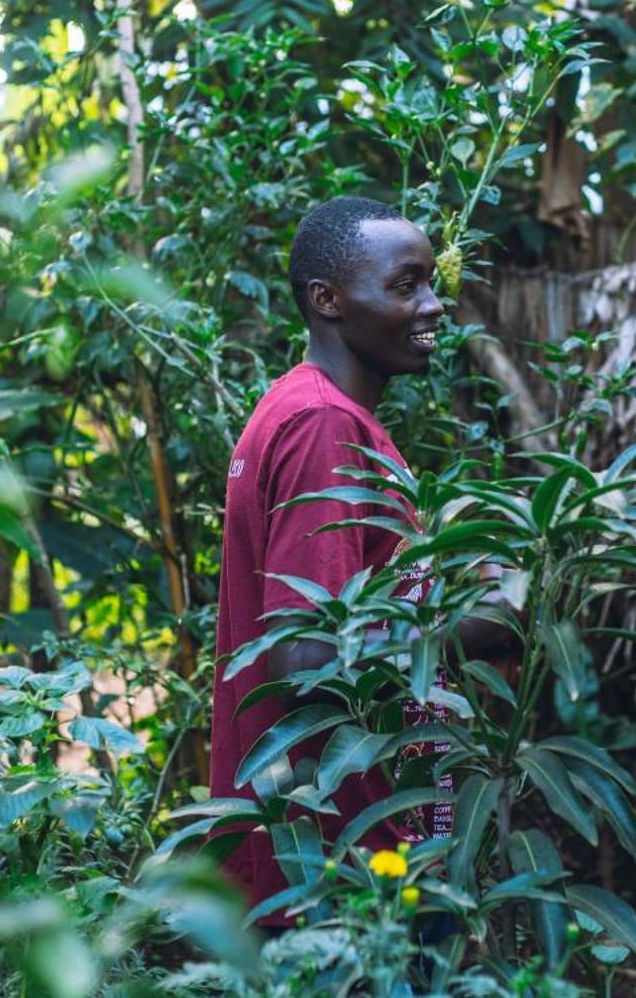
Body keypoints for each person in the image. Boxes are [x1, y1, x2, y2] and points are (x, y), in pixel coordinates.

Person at [209, 197, 496, 914]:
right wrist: (484, 619)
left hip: (341, 850)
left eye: (431, 282)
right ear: (328, 300)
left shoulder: (307, 410)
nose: (433, 305)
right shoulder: (324, 424)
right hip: (339, 865)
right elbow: (305, 662)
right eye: (406, 286)